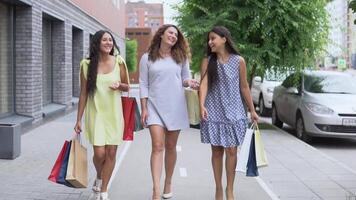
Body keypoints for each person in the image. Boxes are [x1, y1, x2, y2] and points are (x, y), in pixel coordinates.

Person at [139, 24, 199, 200]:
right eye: (170, 33)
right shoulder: (147, 57)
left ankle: (168, 182)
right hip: (154, 106)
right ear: (161, 35)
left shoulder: (180, 57)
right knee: (157, 146)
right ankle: (156, 189)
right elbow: (143, 83)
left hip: (175, 106)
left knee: (171, 146)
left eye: (176, 34)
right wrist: (143, 108)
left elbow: (185, 79)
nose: (173, 36)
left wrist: (191, 83)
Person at [199, 26, 259, 200]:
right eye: (209, 39)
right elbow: (203, 84)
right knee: (216, 151)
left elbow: (244, 86)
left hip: (234, 111)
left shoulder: (239, 61)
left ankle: (229, 189)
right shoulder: (208, 61)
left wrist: (252, 110)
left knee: (232, 151)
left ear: (224, 39)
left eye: (213, 38)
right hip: (214, 110)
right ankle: (218, 188)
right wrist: (202, 105)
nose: (210, 42)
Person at [74, 30, 129, 200]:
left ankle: (104, 189)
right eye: (104, 40)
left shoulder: (119, 61)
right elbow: (83, 93)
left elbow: (127, 86)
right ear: (97, 43)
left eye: (110, 40)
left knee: (111, 153)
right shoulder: (86, 64)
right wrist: (78, 120)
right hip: (95, 113)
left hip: (113, 114)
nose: (108, 43)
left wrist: (119, 85)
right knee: (99, 154)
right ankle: (99, 175)